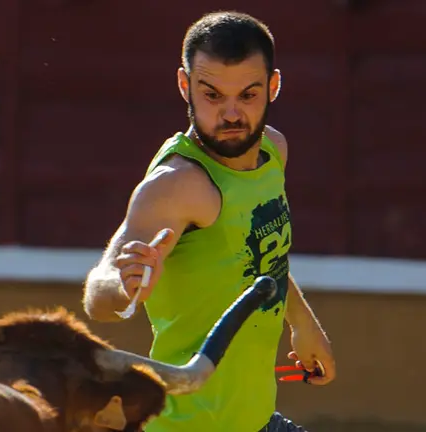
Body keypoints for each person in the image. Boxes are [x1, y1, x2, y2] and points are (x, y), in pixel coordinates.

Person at [81, 10, 336, 432]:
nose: (231, 114)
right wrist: (123, 287)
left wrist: (304, 325)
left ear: (273, 86)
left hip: (254, 420)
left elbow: (258, 258)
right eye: (212, 95)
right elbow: (99, 294)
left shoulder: (273, 150)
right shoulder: (178, 184)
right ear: (185, 86)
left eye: (248, 95)